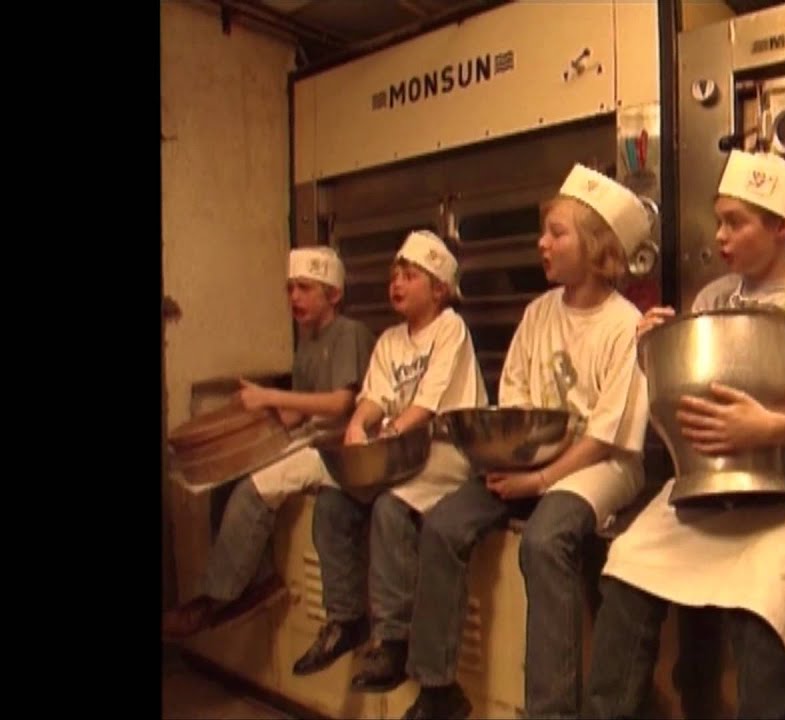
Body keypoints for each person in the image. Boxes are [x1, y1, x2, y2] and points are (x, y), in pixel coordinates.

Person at [582, 150, 785, 719]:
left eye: (736, 222)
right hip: (703, 485)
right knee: (627, 569)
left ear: (782, 228)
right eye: (719, 220)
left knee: (762, 606)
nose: (721, 236)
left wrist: (767, 427)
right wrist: (653, 351)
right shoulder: (710, 301)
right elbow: (683, 397)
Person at [398, 165, 653, 720]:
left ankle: (551, 711)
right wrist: (504, 462)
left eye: (557, 233)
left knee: (544, 540)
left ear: (595, 245)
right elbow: (513, 399)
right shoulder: (538, 314)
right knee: (444, 524)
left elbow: (610, 435)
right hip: (531, 456)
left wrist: (537, 481)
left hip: (600, 463)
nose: (542, 243)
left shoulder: (623, 324)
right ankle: (437, 688)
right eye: (545, 232)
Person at [290, 230, 488, 687]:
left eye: (410, 275)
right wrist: (360, 425)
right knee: (333, 502)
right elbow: (374, 396)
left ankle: (394, 639)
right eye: (394, 275)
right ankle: (345, 618)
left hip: (444, 454)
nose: (396, 284)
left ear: (438, 288)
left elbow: (429, 404)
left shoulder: (450, 329)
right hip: (397, 453)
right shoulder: (390, 340)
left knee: (389, 507)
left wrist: (389, 434)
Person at [162, 246, 375, 640]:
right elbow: (296, 414)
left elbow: (341, 404)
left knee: (254, 490)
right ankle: (256, 581)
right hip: (310, 438)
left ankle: (217, 599)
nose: (295, 297)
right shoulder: (307, 343)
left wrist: (271, 398)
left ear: (334, 294)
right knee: (223, 480)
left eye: (305, 288)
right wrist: (249, 407)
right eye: (290, 288)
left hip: (338, 448)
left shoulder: (350, 333)